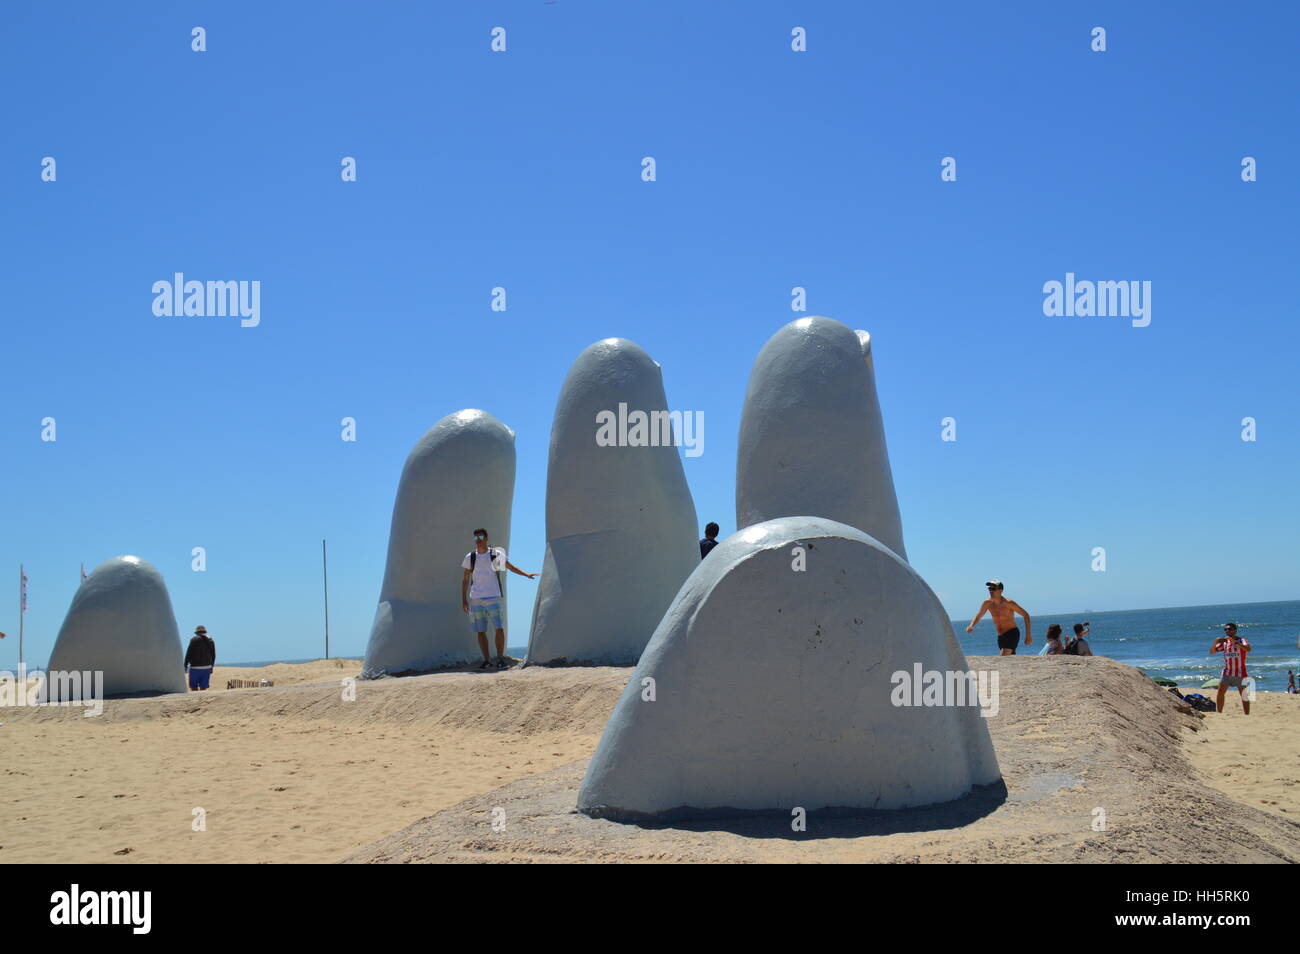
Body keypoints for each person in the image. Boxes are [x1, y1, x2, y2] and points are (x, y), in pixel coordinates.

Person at [461, 528, 538, 670]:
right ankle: (487, 660)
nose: (478, 540)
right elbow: (466, 579)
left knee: (499, 628)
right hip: (476, 598)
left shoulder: (495, 554)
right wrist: (464, 599)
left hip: (493, 597)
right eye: (475, 538)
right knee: (480, 631)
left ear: (487, 538)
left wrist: (526, 574)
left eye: (481, 537)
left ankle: (500, 659)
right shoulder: (470, 557)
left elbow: (510, 567)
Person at [966, 580, 1032, 655]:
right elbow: (979, 615)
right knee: (1009, 661)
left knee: (1002, 656)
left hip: (1012, 633)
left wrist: (1028, 636)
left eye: (993, 589)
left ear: (1001, 590)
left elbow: (1025, 615)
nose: (991, 591)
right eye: (989, 589)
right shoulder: (987, 603)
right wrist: (971, 626)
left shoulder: (1008, 603)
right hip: (1001, 637)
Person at [1211, 622, 1251, 715]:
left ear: (1235, 630)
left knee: (1244, 694)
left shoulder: (1242, 640)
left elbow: (1248, 649)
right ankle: (1219, 713)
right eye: (1225, 629)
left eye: (1229, 629)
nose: (1227, 631)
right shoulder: (1225, 642)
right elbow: (1212, 652)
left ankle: (1247, 715)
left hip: (1240, 672)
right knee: (1220, 692)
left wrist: (1236, 643)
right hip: (1227, 672)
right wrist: (1215, 642)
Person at [184, 625, 216, 691]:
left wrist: (185, 665)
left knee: (193, 686)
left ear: (197, 633)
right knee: (203, 687)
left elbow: (188, 653)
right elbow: (213, 655)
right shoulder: (211, 640)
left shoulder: (194, 640)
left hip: (195, 667)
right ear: (204, 632)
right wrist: (211, 666)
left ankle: (195, 700)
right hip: (207, 666)